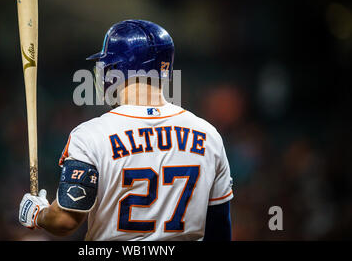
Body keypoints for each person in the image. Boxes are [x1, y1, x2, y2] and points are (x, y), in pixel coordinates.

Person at [18, 20, 233, 241]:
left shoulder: (90, 135)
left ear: (114, 71)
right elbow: (220, 230)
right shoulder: (209, 135)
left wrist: (38, 213)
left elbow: (65, 221)